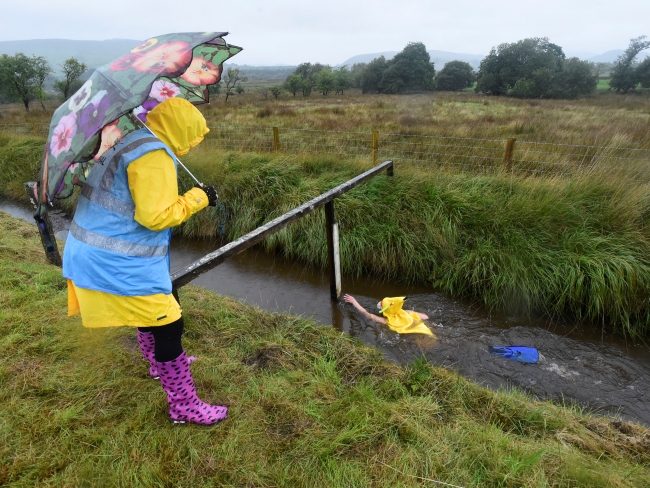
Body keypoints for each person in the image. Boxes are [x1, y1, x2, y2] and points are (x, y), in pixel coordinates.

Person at [62, 97, 227, 425]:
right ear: (180, 130)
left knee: (160, 306)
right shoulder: (153, 155)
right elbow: (156, 216)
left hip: (103, 250)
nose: (192, 146)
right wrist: (199, 198)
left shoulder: (132, 141)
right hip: (116, 258)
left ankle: (158, 364)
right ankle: (183, 406)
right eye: (192, 137)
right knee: (169, 323)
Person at [343, 294, 435, 337]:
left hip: (417, 337)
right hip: (426, 332)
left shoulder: (386, 321)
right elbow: (425, 317)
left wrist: (354, 302)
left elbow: (369, 315)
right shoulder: (407, 312)